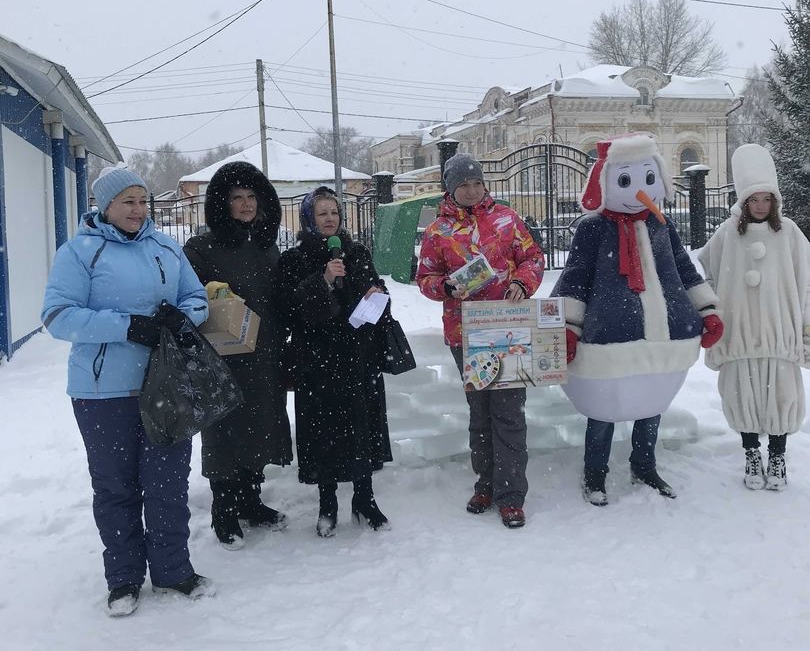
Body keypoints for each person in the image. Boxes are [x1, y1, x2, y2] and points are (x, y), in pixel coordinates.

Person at [41, 165, 212, 617]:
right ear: (105, 206)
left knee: (168, 484)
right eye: (127, 202)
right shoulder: (80, 253)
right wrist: (126, 326)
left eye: (142, 201)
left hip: (166, 383)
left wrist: (184, 316)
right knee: (116, 486)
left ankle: (174, 570)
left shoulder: (166, 247)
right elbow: (58, 316)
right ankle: (123, 579)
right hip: (103, 392)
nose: (138, 210)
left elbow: (197, 298)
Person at [551, 134, 722, 505]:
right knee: (603, 409)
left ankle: (644, 465)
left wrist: (706, 310)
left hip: (664, 335)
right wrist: (567, 325)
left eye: (649, 179)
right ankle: (595, 472)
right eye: (626, 181)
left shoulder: (662, 225)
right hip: (609, 336)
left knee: (651, 403)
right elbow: (576, 276)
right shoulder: (593, 228)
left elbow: (683, 269)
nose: (641, 190)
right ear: (606, 183)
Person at [416, 154, 544, 528]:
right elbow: (425, 277)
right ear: (450, 189)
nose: (472, 191)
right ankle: (485, 484)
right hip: (465, 331)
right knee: (481, 413)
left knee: (508, 412)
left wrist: (522, 281)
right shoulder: (438, 231)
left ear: (484, 184)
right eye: (463, 185)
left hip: (508, 326)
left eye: (476, 183)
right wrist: (446, 286)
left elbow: (532, 257)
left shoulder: (507, 219)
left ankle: (511, 495)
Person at [183, 162, 293, 549]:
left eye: (252, 197)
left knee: (261, 426)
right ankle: (223, 511)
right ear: (222, 204)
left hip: (266, 354)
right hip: (223, 357)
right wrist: (219, 300)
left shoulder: (266, 246)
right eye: (237, 198)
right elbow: (192, 298)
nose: (246, 205)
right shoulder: (201, 248)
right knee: (224, 432)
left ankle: (250, 500)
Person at [278, 186, 392, 537]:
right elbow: (290, 312)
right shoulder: (294, 260)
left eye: (335, 213)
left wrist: (377, 296)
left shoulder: (357, 252)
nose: (330, 219)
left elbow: (377, 302)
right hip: (318, 362)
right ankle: (328, 504)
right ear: (309, 218)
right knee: (322, 434)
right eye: (322, 213)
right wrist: (324, 281)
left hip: (358, 359)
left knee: (362, 429)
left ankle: (365, 499)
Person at [698, 144, 810, 490]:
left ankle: (777, 457)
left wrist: (805, 326)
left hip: (779, 334)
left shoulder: (789, 233)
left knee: (781, 396)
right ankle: (751, 454)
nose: (760, 205)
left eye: (766, 199)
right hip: (739, 335)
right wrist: (712, 313)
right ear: (744, 202)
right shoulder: (727, 234)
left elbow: (805, 281)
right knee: (741, 394)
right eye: (754, 199)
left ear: (774, 201)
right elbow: (708, 276)